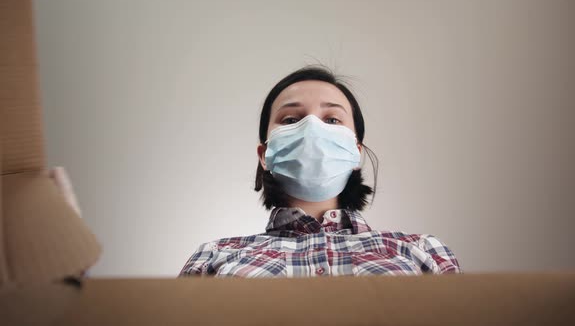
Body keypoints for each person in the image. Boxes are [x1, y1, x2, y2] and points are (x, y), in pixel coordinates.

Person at [179, 66, 461, 277]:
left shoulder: (422, 251)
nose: (312, 127)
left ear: (355, 152)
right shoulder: (214, 257)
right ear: (265, 155)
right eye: (291, 119)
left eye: (332, 119)